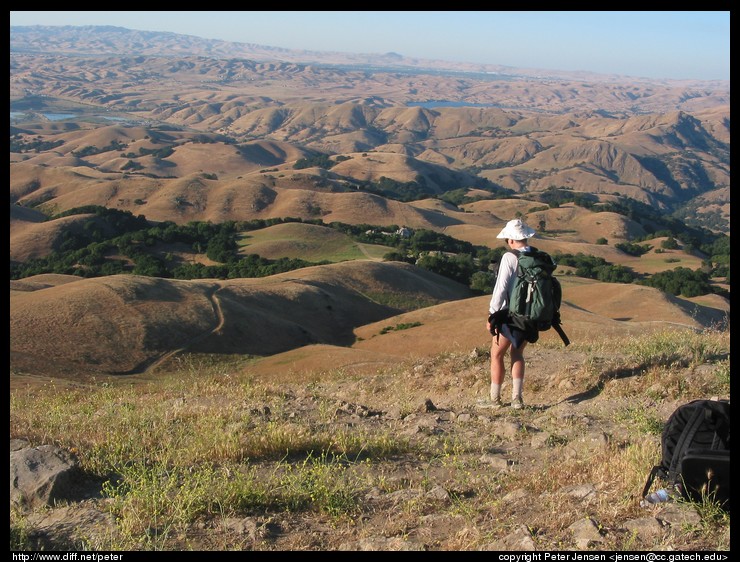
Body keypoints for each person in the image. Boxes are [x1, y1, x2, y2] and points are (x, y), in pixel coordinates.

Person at [480, 218, 538, 410]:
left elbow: (500, 289)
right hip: (530, 315)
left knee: (496, 354)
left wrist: (492, 315)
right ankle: (517, 399)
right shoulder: (537, 257)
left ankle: (494, 399)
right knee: (518, 354)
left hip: (509, 314)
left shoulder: (509, 258)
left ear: (511, 240)